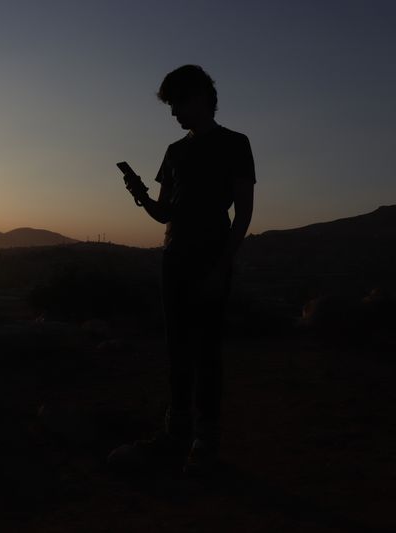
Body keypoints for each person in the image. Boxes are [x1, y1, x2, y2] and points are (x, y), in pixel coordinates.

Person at [108, 65, 255, 476]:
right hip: (174, 260)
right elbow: (164, 213)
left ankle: (205, 442)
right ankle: (178, 434)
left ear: (202, 98)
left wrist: (222, 267)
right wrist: (139, 193)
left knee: (206, 352)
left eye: (178, 103)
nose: (173, 112)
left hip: (211, 259)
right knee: (178, 350)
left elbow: (243, 214)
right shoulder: (175, 152)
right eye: (170, 105)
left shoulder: (235, 144)